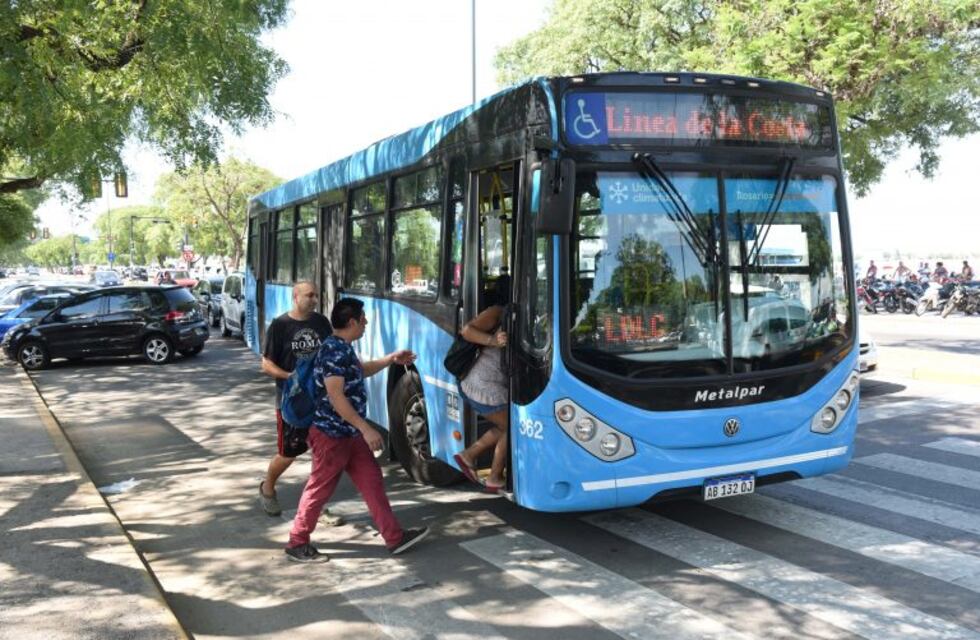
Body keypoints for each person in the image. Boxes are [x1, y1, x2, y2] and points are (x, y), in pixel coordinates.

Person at [285, 298, 427, 562]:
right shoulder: (333, 351)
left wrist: (390, 360)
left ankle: (394, 538)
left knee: (372, 483)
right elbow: (336, 396)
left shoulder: (342, 348)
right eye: (363, 319)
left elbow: (360, 371)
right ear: (351, 322)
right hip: (331, 435)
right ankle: (297, 541)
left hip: (349, 434)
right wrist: (366, 429)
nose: (366, 323)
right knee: (320, 488)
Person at [258, 281, 343, 526]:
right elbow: (266, 364)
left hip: (320, 400)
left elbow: (331, 351)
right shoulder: (280, 325)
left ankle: (316, 505)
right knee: (288, 454)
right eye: (309, 295)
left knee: (322, 454)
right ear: (296, 297)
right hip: (291, 403)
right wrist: (288, 376)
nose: (314, 299)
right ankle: (267, 488)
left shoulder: (320, 323)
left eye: (316, 295)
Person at [452, 276, 511, 493]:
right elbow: (467, 331)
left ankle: (468, 456)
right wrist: (493, 341)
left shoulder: (521, 314)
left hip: (492, 383)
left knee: (505, 425)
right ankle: (494, 477)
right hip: (481, 384)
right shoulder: (497, 311)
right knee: (512, 427)